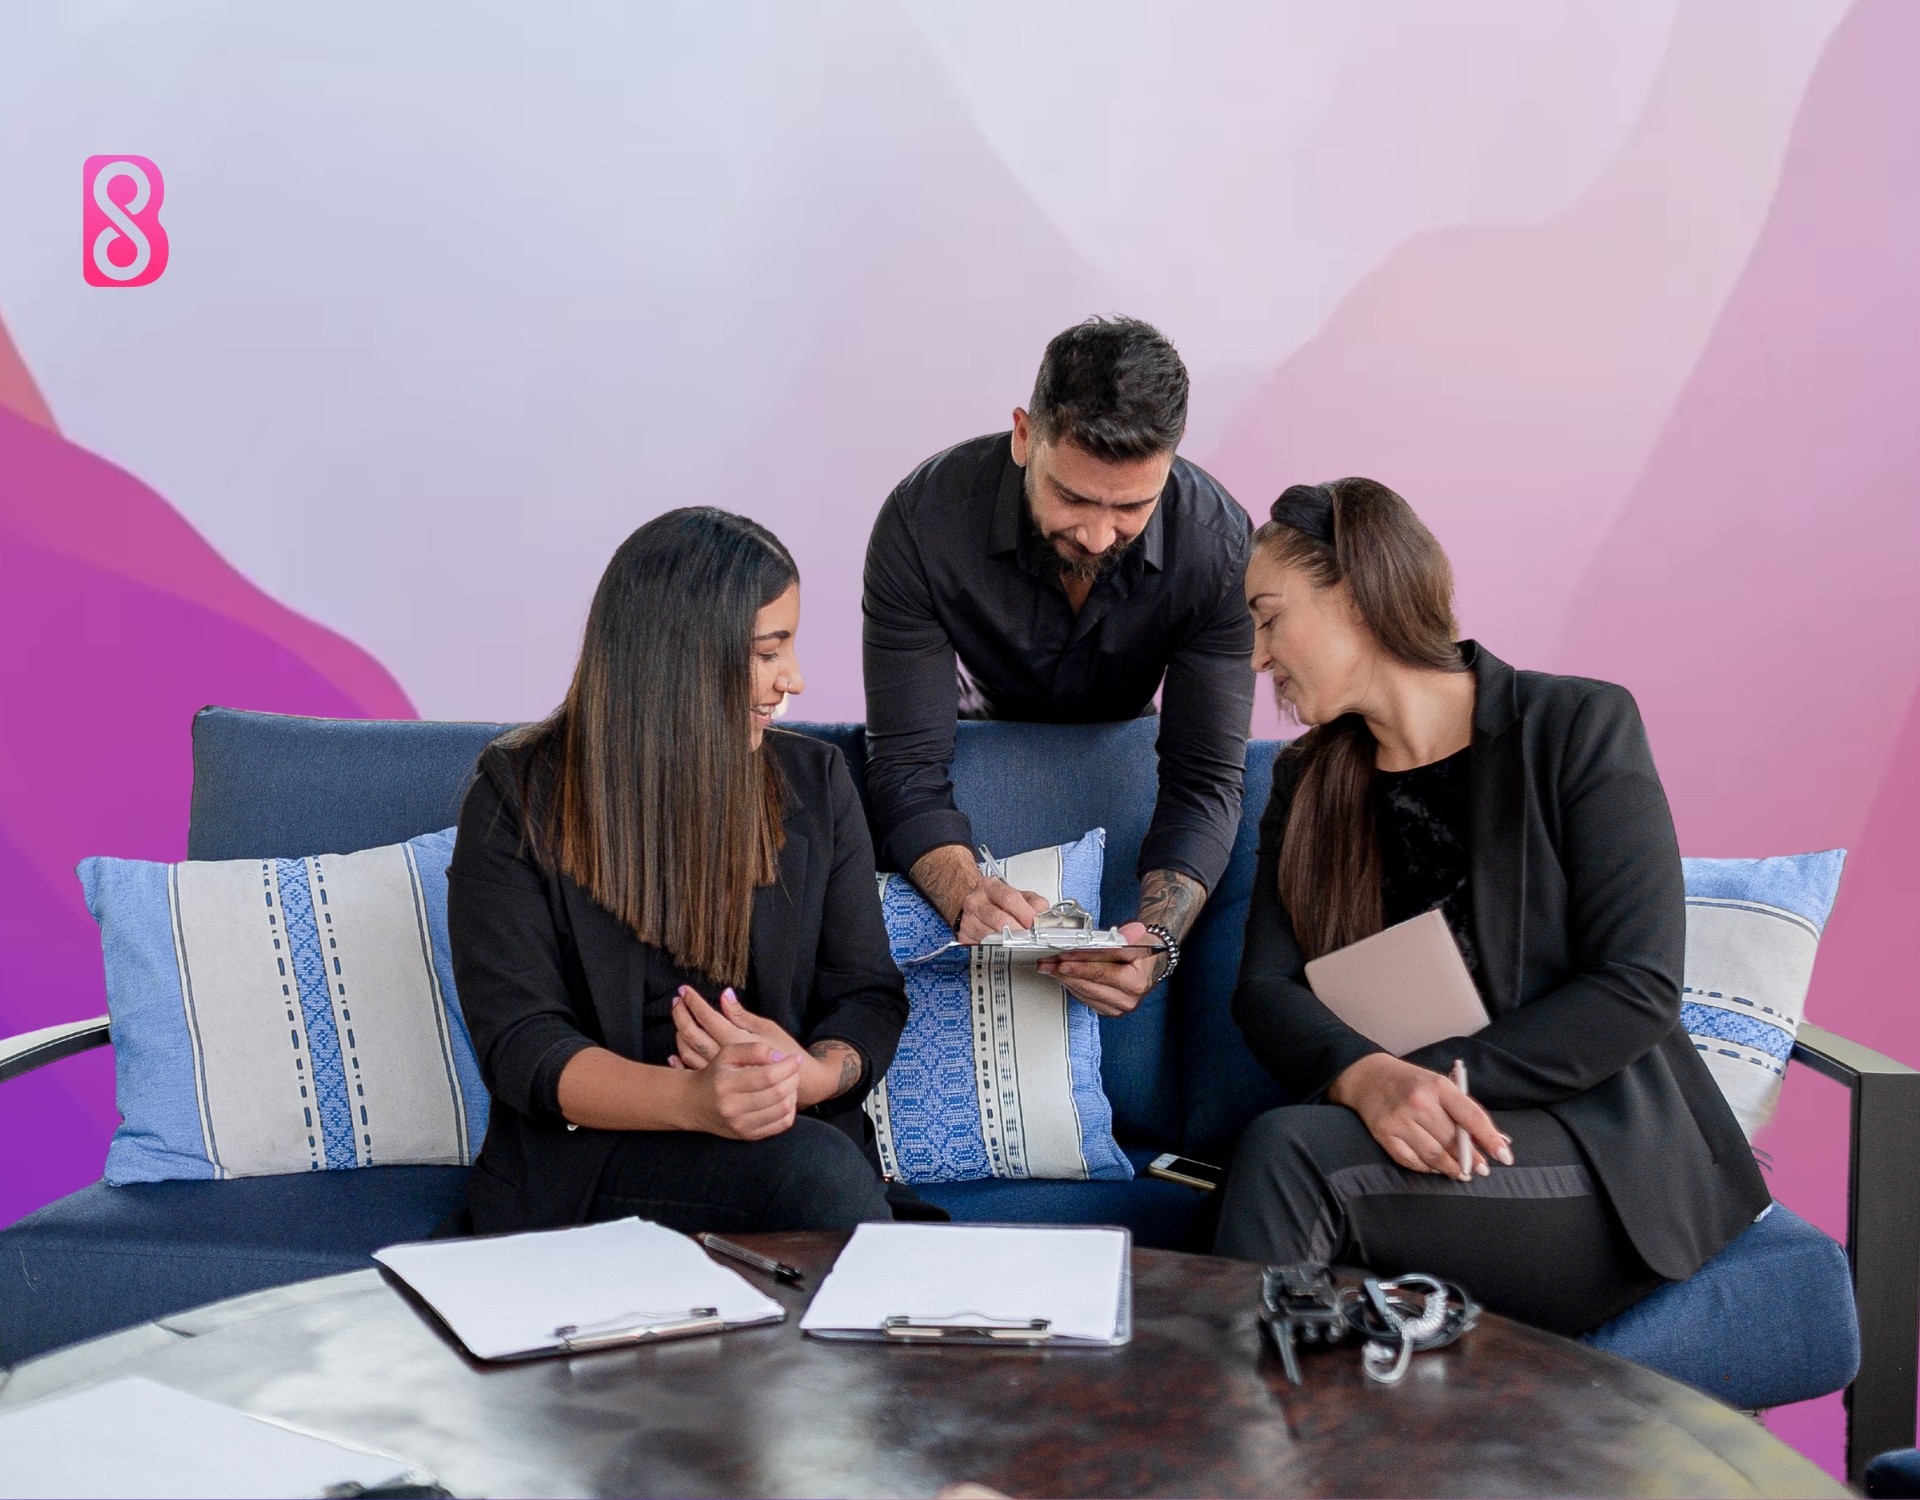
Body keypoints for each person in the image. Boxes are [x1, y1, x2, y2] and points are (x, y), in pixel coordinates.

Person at [1215, 478, 1768, 1336]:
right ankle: (1299, 1451)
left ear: (1357, 596)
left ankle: (1226, 1460)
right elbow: (1265, 989)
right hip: (1422, 1136)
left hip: (1595, 1153)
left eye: (1270, 616)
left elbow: (1636, 985)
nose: (1258, 657)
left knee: (1288, 1155)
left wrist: (1430, 1080)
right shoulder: (1307, 780)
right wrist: (1370, 1080)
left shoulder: (1576, 725)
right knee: (1294, 1171)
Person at [448, 507, 908, 1236]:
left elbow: (867, 995)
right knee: (818, 1178)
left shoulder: (815, 784)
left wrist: (812, 1074)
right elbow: (523, 1044)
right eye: (768, 651)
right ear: (681, 659)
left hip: (789, 1145)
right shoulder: (518, 794)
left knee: (818, 1169)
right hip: (593, 1165)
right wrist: (694, 1101)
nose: (794, 678)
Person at [862, 316, 1254, 1015]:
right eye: (1071, 497)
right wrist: (962, 893)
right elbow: (905, 765)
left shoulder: (1217, 548)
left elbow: (1205, 779)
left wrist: (1157, 939)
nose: (1098, 535)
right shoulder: (923, 521)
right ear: (1023, 435)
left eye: (1132, 506)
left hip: (1128, 770)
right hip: (972, 764)